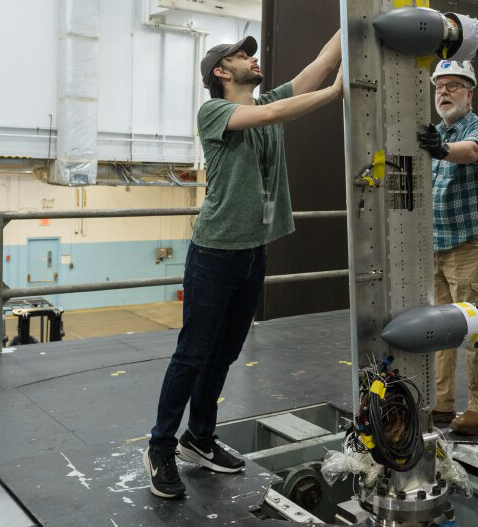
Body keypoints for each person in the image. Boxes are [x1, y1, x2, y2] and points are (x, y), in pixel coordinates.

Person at [145, 32, 342, 498]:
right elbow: (272, 113)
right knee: (192, 354)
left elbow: (321, 60)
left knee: (224, 354)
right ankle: (159, 448)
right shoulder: (214, 111)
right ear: (220, 71)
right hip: (215, 253)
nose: (253, 60)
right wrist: (336, 94)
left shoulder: (264, 101)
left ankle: (200, 438)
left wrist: (354, 12)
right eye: (241, 56)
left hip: (253, 251)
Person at [417, 60, 478, 436]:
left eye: (454, 86)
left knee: (477, 331)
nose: (444, 92)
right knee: (440, 331)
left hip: (472, 247)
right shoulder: (433, 133)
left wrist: (441, 148)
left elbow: (469, 152)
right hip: (436, 247)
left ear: (469, 93)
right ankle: (441, 403)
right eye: (439, 87)